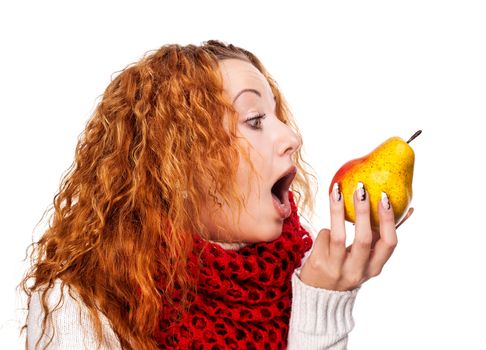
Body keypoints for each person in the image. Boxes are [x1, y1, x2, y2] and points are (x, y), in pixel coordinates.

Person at [22, 40, 410, 349]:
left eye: (278, 117)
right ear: (181, 160)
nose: (292, 138)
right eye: (255, 120)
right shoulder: (81, 303)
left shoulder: (303, 278)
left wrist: (324, 302)